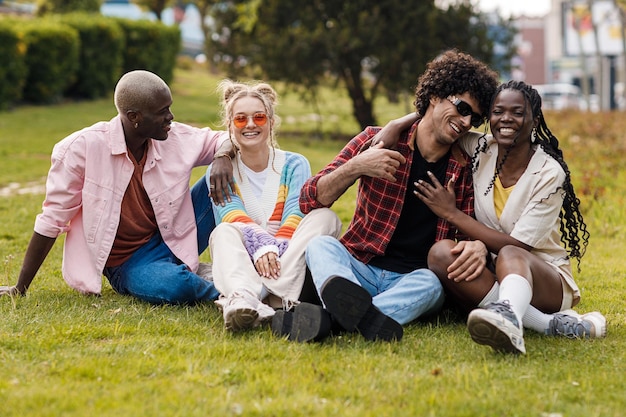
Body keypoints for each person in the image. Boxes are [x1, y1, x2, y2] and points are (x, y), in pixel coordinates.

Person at [272, 50, 499, 343]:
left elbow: (468, 232)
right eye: (462, 108)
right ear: (435, 96)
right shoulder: (376, 140)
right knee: (321, 246)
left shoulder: (464, 168)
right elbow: (309, 199)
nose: (467, 122)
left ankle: (331, 321)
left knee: (431, 285)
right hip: (358, 268)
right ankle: (366, 318)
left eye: (475, 118)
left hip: (411, 278)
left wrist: (478, 246)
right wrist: (357, 165)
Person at [399, 80, 605, 354]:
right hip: (492, 267)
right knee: (439, 254)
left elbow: (520, 246)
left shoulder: (549, 173)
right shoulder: (482, 148)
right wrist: (392, 127)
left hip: (543, 278)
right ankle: (542, 324)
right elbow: (438, 122)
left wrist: (451, 214)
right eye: (498, 112)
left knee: (510, 253)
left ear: (534, 119)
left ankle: (511, 315)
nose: (506, 119)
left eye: (518, 112)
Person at [0, 70, 235, 305]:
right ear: (135, 117)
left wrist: (223, 155)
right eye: (162, 112)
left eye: (169, 108)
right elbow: (52, 219)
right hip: (129, 262)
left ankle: (259, 257)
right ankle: (238, 294)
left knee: (231, 171)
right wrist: (20, 287)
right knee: (176, 287)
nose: (170, 117)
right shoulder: (80, 149)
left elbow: (223, 138)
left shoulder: (172, 136)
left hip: (176, 235)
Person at [206, 80, 342, 332]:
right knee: (222, 233)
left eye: (258, 117)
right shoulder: (220, 171)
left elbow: (294, 214)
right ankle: (272, 299)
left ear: (270, 121)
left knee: (325, 218)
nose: (250, 125)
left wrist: (272, 251)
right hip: (245, 258)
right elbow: (231, 215)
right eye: (240, 119)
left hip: (286, 255)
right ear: (229, 125)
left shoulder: (294, 164)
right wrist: (260, 249)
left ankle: (255, 297)